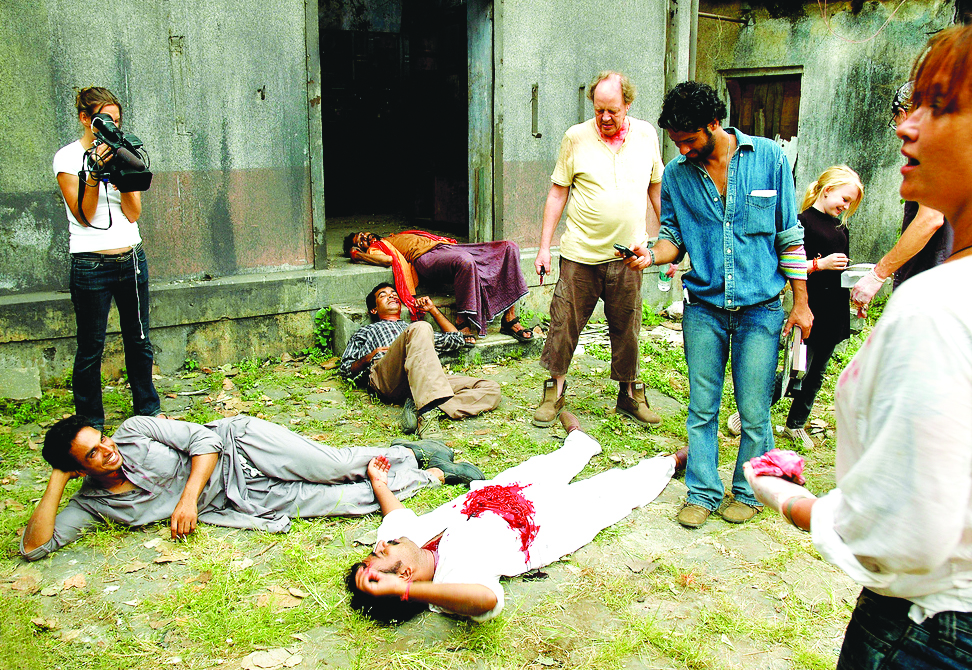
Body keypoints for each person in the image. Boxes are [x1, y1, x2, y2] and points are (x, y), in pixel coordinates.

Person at [745, 26, 972, 669]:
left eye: (938, 106)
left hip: (928, 628)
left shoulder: (938, 306)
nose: (906, 126)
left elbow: (902, 538)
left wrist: (795, 501)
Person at [626, 81, 812, 528]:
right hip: (704, 309)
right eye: (676, 141)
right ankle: (703, 491)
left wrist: (801, 303)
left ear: (714, 123)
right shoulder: (676, 175)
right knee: (702, 408)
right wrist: (651, 255)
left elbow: (789, 236)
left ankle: (749, 490)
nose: (683, 149)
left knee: (754, 411)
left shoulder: (769, 158)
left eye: (689, 139)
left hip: (761, 309)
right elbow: (673, 237)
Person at [345, 411, 687, 622]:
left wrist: (379, 483)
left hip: (504, 492)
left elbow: (396, 516)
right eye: (381, 553)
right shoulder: (453, 576)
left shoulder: (410, 540)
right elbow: (486, 601)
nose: (381, 545)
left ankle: (579, 442)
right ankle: (672, 462)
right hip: (548, 522)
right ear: (405, 574)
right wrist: (405, 591)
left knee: (547, 465)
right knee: (611, 492)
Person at [21, 414, 482, 561]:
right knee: (346, 502)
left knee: (333, 467)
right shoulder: (94, 504)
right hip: (241, 498)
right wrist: (57, 478)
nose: (108, 450)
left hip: (241, 445)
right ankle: (435, 475)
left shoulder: (135, 430)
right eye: (93, 455)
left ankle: (409, 452)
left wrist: (187, 499)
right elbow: (35, 548)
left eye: (101, 439)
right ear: (78, 471)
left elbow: (204, 441)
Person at [532, 71, 665, 428]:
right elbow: (558, 192)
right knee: (564, 322)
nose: (605, 117)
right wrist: (544, 248)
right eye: (598, 109)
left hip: (628, 256)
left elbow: (656, 188)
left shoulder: (647, 135)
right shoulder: (575, 137)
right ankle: (554, 391)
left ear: (628, 105)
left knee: (628, 327)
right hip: (580, 253)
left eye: (613, 111)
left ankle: (630, 394)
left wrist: (670, 241)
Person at [730, 166, 864, 450]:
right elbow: (784, 265)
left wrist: (856, 289)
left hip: (835, 312)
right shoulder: (802, 223)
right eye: (844, 199)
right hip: (809, 310)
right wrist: (819, 264)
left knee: (816, 375)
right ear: (827, 190)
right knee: (795, 370)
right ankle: (749, 414)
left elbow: (841, 272)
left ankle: (796, 424)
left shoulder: (841, 228)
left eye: (850, 203)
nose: (845, 206)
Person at [54, 87, 162, 430]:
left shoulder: (123, 152)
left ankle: (148, 411)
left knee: (139, 339)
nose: (111, 126)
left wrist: (121, 177)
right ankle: (90, 422)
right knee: (91, 347)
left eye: (116, 120)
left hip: (131, 258)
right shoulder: (67, 158)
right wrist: (93, 175)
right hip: (90, 263)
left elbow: (133, 214)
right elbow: (85, 216)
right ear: (85, 118)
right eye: (104, 119)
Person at [339, 283, 501, 438]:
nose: (391, 296)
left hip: (421, 379)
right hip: (388, 377)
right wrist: (369, 356)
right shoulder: (367, 330)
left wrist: (433, 310)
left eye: (394, 293)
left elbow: (457, 339)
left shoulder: (417, 331)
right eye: (383, 295)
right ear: (374, 309)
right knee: (420, 327)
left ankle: (423, 407)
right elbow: (345, 368)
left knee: (491, 389)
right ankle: (426, 414)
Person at [850, 81, 953, 313]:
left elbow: (930, 219)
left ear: (904, 114)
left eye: (895, 120)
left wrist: (877, 275)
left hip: (932, 290)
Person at [344, 230, 532, 342]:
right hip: (425, 258)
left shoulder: (394, 236)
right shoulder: (376, 248)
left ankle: (509, 318)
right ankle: (461, 321)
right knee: (465, 261)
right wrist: (358, 254)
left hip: (446, 247)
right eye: (361, 241)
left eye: (364, 234)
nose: (365, 238)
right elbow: (386, 260)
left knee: (509, 247)